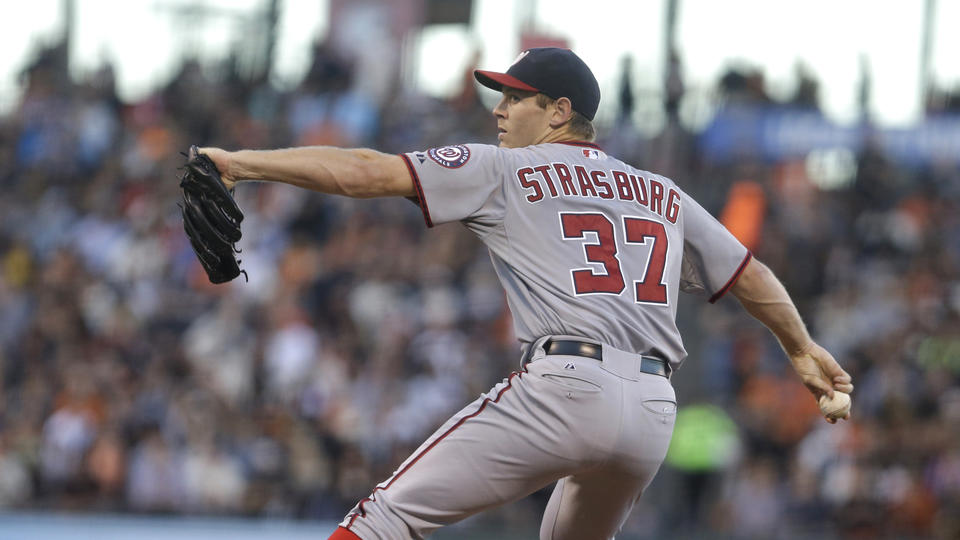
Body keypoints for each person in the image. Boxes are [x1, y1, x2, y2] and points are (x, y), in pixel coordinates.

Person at [197, 47, 853, 540]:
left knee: (382, 518)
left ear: (560, 112)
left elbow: (365, 173)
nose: (500, 110)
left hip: (566, 383)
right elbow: (750, 276)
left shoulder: (505, 167)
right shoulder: (661, 192)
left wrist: (245, 163)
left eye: (517, 98)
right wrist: (799, 348)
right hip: (654, 409)